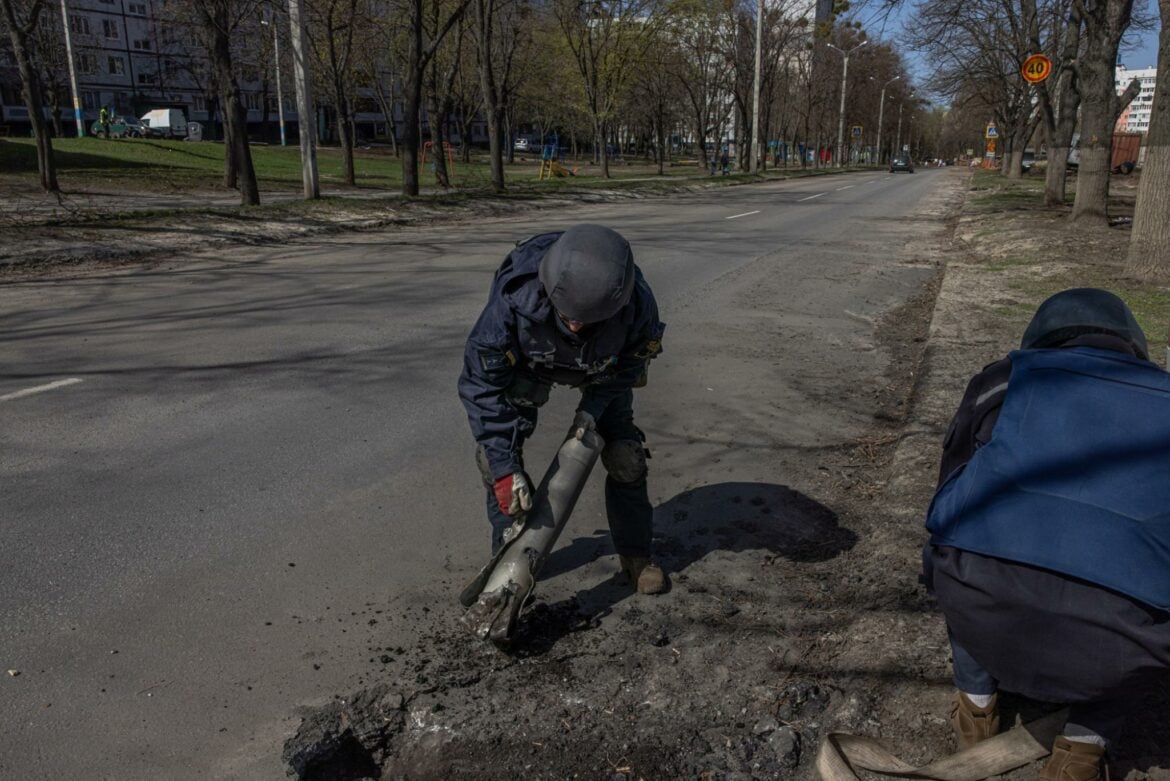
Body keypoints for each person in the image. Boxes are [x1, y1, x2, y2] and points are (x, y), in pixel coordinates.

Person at [923, 288, 1170, 780]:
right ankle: (1081, 751)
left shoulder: (1003, 378)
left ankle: (975, 708)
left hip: (983, 598)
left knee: (962, 543)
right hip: (1125, 635)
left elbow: (949, 488)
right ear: (1134, 346)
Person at [458, 224, 668, 594]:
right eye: (568, 315)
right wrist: (506, 467)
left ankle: (636, 556)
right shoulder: (512, 302)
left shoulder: (638, 306)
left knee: (626, 457)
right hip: (528, 367)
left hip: (604, 370)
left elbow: (631, 365)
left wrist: (591, 411)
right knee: (498, 467)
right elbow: (482, 385)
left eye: (587, 320)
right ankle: (505, 566)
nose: (575, 325)